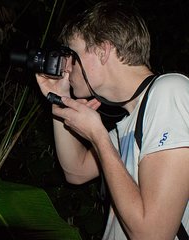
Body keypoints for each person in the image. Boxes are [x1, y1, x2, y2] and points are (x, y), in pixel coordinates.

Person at [36, 1, 189, 239]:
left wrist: (98, 136)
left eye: (72, 56)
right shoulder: (129, 121)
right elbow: (75, 170)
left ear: (102, 51)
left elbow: (153, 235)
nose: (66, 67)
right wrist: (60, 99)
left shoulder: (170, 92)